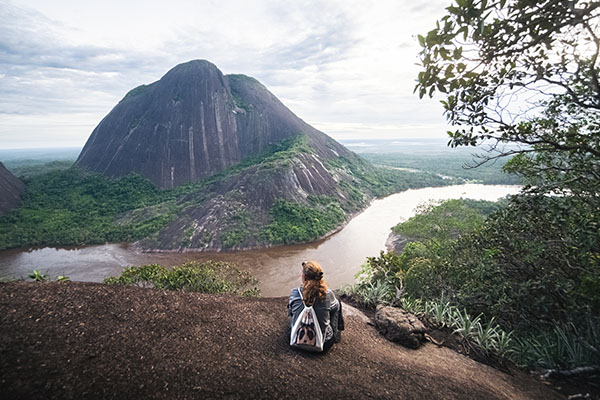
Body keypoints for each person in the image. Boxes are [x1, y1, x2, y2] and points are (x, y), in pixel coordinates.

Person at [288, 260, 344, 352]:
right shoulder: (327, 294)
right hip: (323, 344)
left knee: (292, 311)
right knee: (337, 303)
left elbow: (291, 312)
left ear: (304, 277)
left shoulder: (295, 292)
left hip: (297, 341)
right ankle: (337, 334)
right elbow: (335, 308)